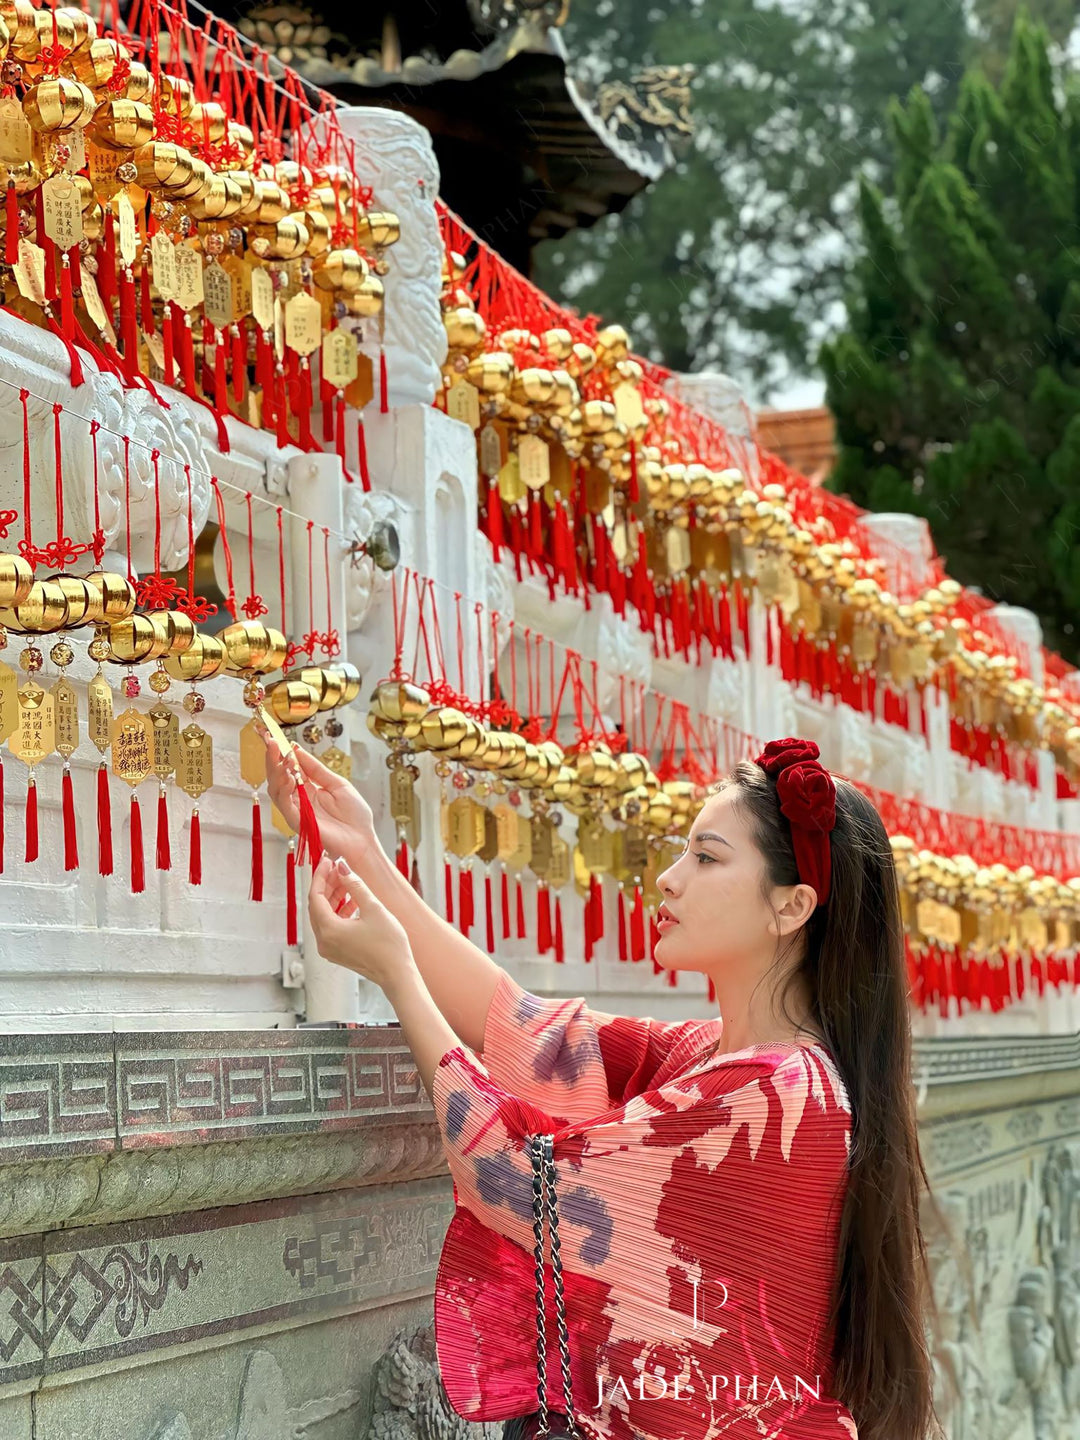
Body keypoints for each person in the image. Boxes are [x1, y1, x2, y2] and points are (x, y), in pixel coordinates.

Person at [265, 733, 946, 1440]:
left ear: (792, 906)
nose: (670, 878)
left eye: (706, 857)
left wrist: (397, 977)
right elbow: (522, 1026)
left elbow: (518, 1180)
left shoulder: (776, 1093)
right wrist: (361, 852)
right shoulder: (723, 1058)